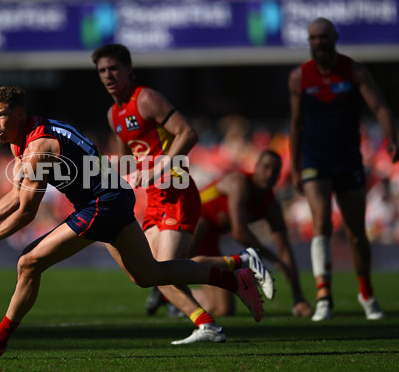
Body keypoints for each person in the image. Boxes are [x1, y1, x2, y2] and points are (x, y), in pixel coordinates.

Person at [0, 85, 264, 358]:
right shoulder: (23, 138)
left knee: (28, 262)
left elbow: (26, 212)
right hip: (113, 197)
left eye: (1, 115)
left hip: (100, 204)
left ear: (20, 114)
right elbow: (16, 195)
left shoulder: (38, 147)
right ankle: (236, 279)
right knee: (149, 273)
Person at [91, 44, 269, 345]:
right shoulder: (113, 114)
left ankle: (209, 322)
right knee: (144, 273)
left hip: (176, 190)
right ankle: (235, 270)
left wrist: (160, 167)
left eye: (114, 69)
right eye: (102, 71)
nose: (108, 75)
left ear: (129, 69)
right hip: (154, 198)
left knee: (162, 271)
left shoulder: (146, 99)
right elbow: (128, 159)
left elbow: (188, 133)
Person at [289, 17, 399, 321]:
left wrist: (392, 138)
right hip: (315, 159)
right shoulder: (300, 77)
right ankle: (324, 297)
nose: (318, 43)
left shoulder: (355, 70)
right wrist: (296, 166)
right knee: (321, 223)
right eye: (313, 38)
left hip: (348, 159)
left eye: (323, 37)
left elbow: (379, 107)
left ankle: (367, 293)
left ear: (334, 37)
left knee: (355, 232)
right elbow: (296, 124)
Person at [189, 150, 313, 318]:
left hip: (209, 239)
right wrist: (274, 260)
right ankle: (166, 279)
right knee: (199, 226)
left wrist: (298, 297)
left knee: (224, 310)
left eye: (275, 171)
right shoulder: (238, 183)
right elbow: (240, 233)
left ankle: (168, 294)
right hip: (187, 225)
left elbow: (285, 249)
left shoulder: (270, 206)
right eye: (266, 168)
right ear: (256, 167)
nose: (269, 174)